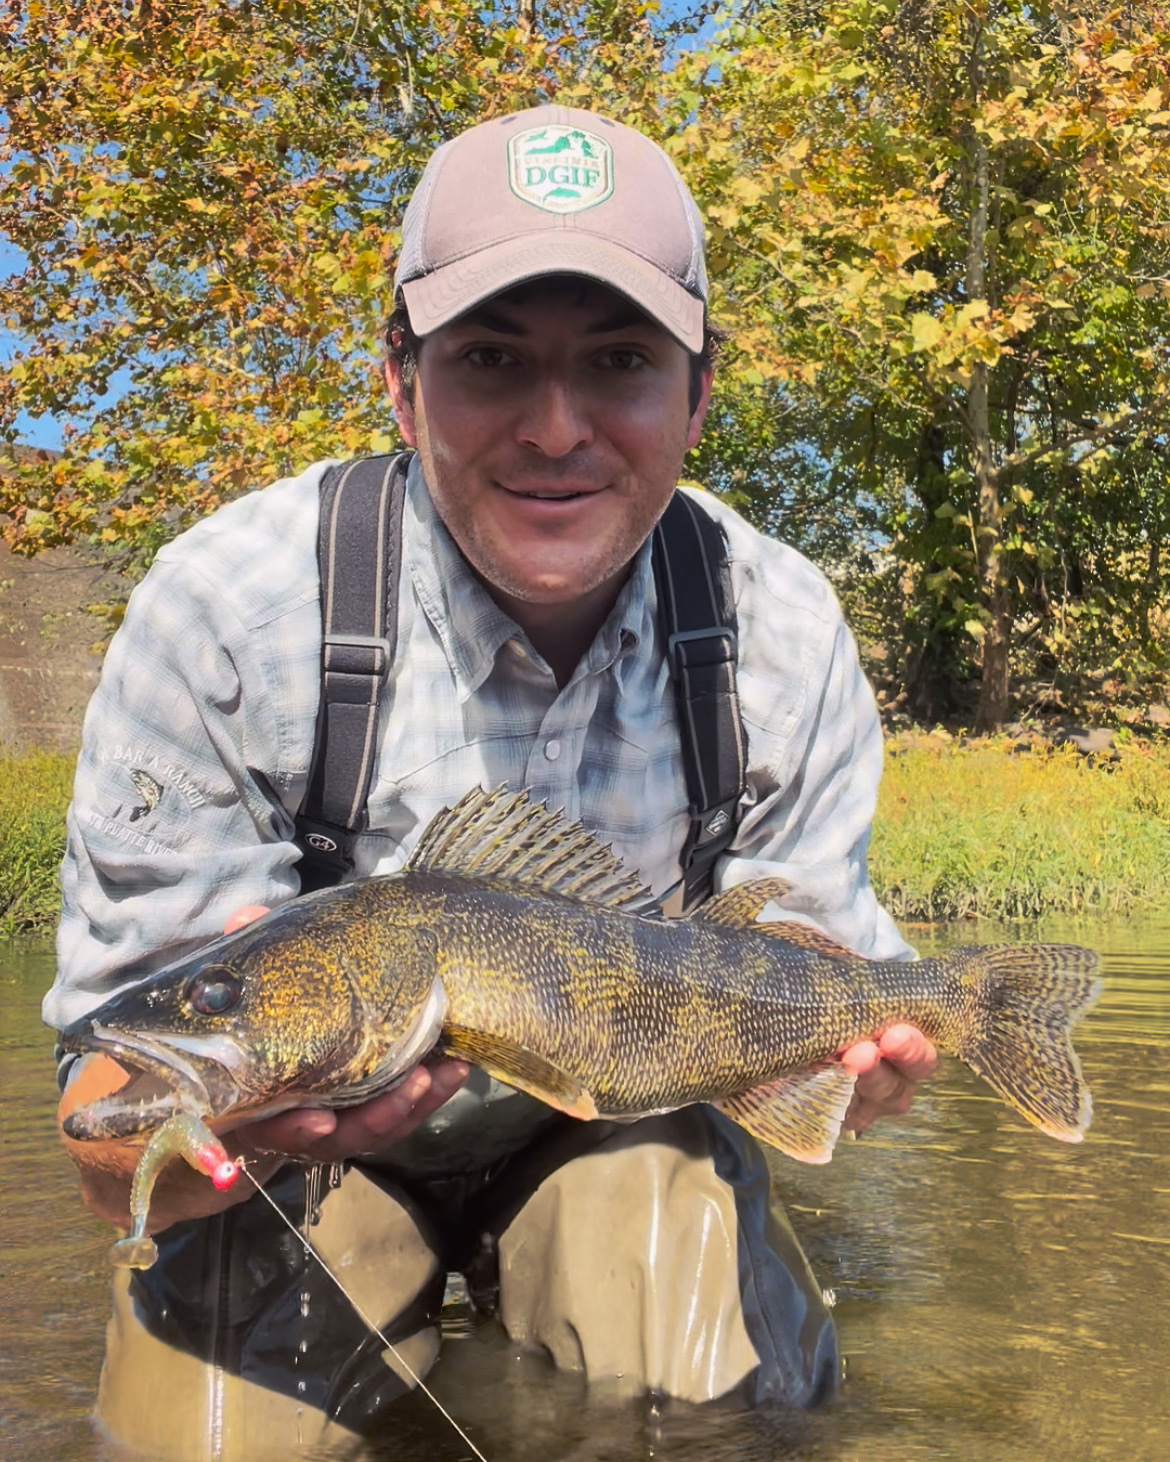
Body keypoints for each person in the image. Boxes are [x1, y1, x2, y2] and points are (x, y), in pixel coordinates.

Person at [47, 104, 936, 1460]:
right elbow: (97, 1126)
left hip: (625, 1126)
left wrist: (850, 1069)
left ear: (699, 390)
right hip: (305, 1161)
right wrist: (219, 1138)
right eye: (491, 359)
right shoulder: (223, 614)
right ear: (400, 381)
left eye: (621, 361)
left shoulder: (781, 629)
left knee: (698, 1376)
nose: (556, 426)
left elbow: (812, 961)